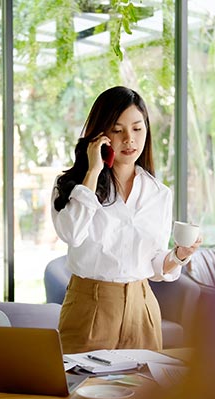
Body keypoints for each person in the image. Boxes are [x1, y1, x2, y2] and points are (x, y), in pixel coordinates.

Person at [51, 86, 201, 354]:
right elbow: (72, 234)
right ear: (100, 136)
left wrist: (179, 255)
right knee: (80, 390)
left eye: (137, 128)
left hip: (142, 307)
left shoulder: (159, 193)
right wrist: (94, 171)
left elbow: (154, 264)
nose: (129, 139)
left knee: (144, 393)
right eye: (117, 130)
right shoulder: (71, 187)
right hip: (90, 306)